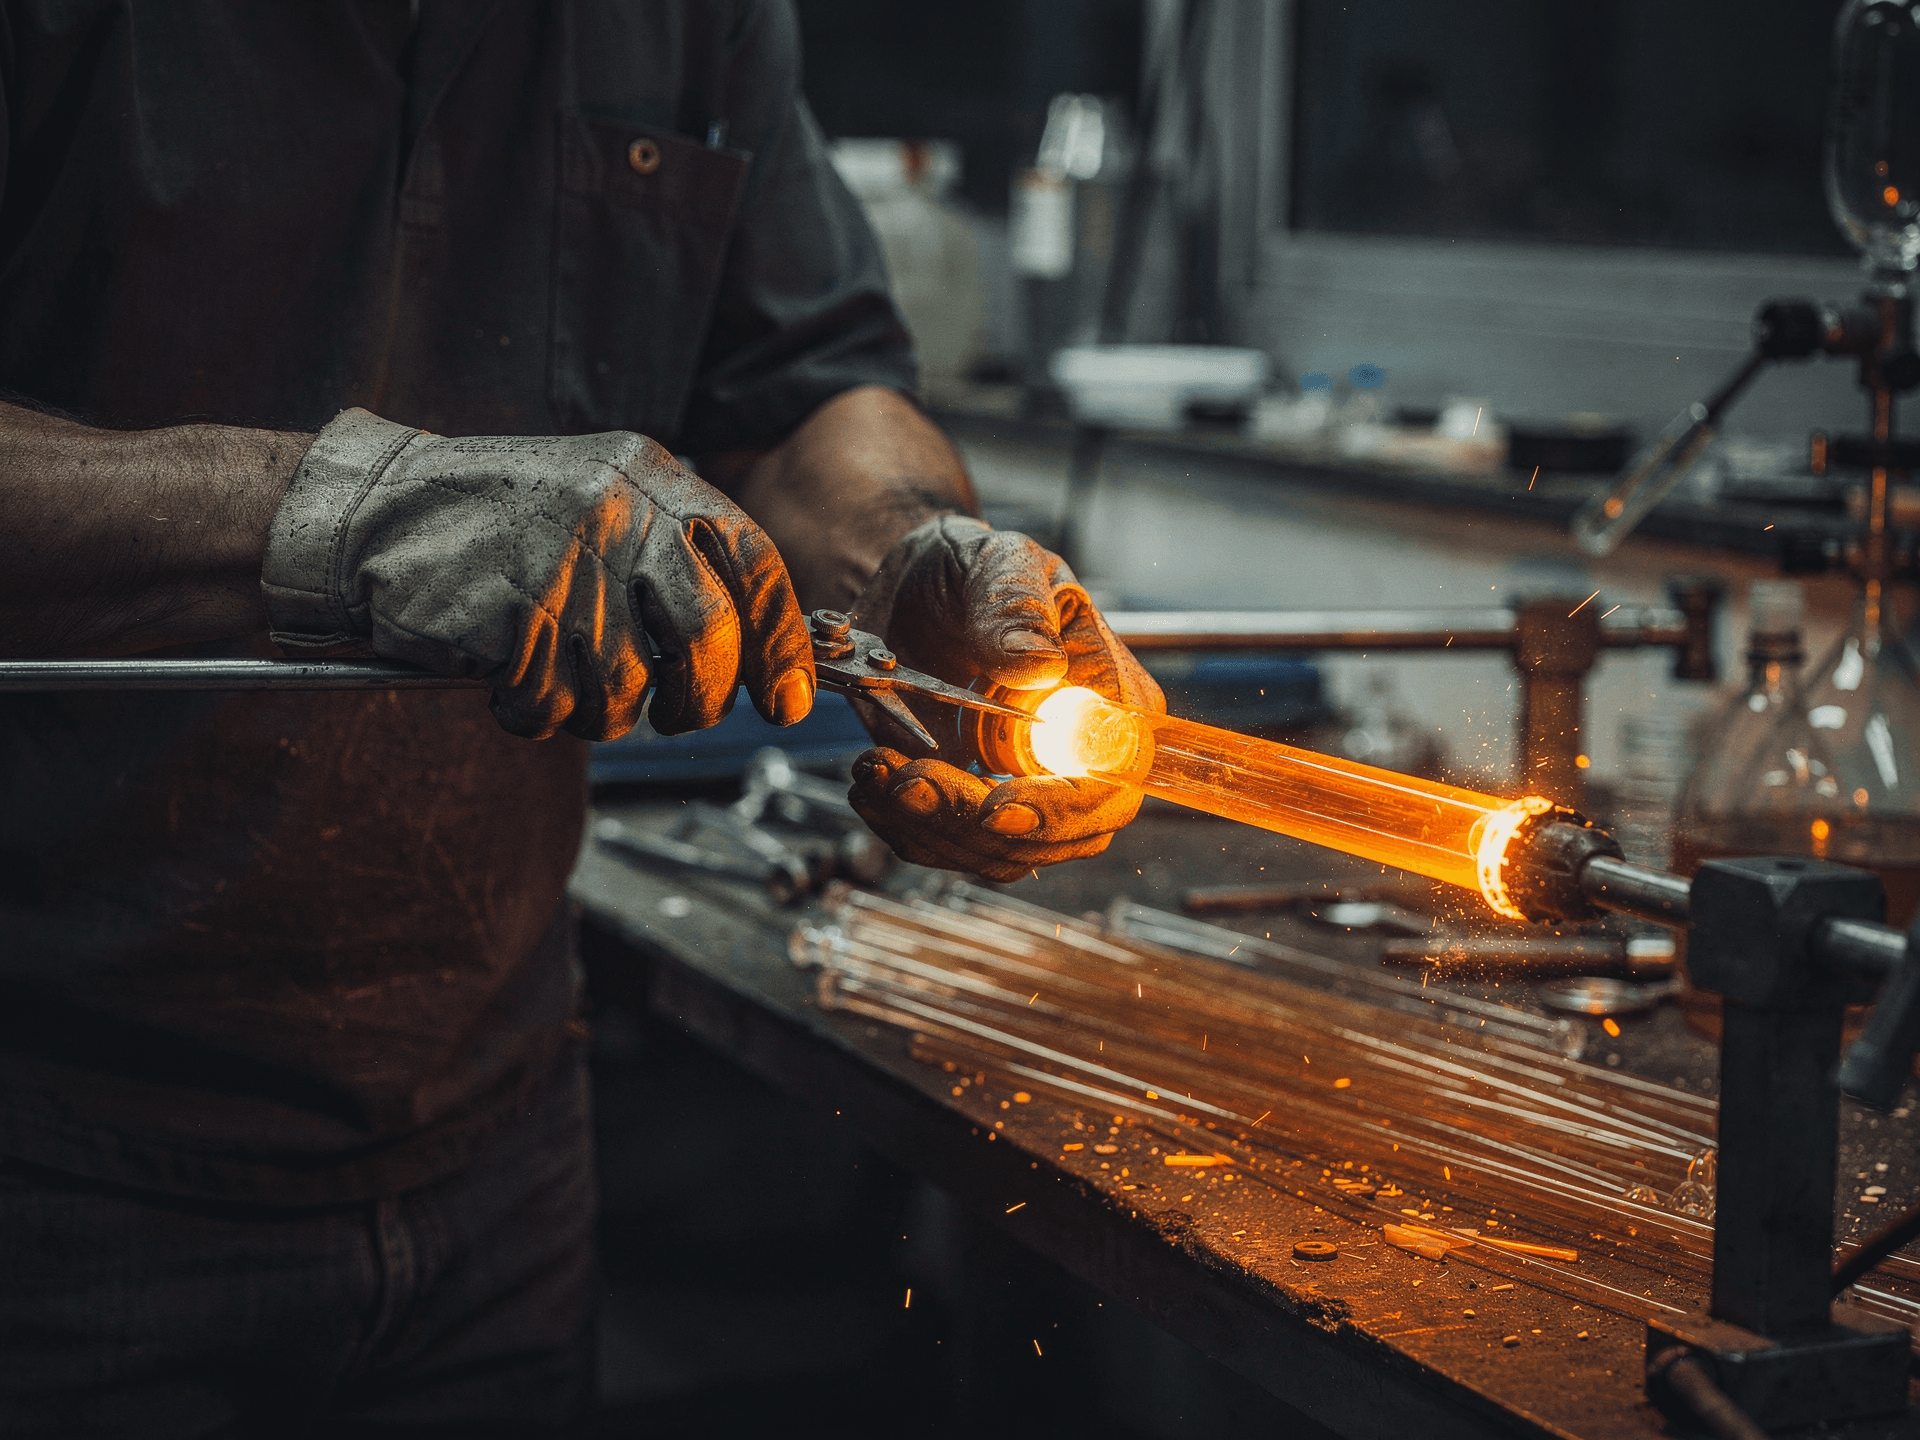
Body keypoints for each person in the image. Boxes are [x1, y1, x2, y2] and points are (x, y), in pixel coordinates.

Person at [0, 3, 1162, 1434]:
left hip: (496, 1134)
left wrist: (908, 550)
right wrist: (346, 513)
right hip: (53, 1151)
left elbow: (804, 393)